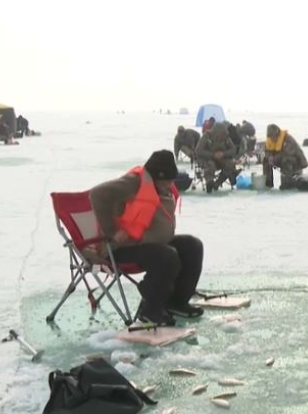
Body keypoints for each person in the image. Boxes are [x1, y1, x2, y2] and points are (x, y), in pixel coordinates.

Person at [89, 150, 204, 325]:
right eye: (168, 181)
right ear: (157, 176)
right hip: (122, 248)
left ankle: (176, 302)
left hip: (152, 244)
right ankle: (150, 310)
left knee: (192, 246)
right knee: (167, 256)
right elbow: (97, 194)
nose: (171, 185)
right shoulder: (134, 183)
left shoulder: (160, 186)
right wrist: (112, 231)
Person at [195, 121, 240, 192]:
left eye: (223, 134)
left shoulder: (226, 138)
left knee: (230, 164)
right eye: (221, 134)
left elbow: (233, 149)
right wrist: (212, 155)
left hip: (221, 159)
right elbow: (198, 150)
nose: (222, 136)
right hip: (207, 159)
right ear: (216, 132)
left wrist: (224, 154)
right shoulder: (207, 136)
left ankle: (218, 183)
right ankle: (209, 183)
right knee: (210, 165)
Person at [264, 124, 308, 189]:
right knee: (265, 160)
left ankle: (286, 183)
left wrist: (273, 159)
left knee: (286, 160)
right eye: (270, 137)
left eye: (273, 136)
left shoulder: (288, 139)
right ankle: (268, 183)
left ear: (277, 134)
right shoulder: (270, 141)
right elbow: (267, 151)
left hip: (296, 162)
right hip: (278, 159)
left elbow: (287, 153)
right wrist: (269, 157)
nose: (272, 138)